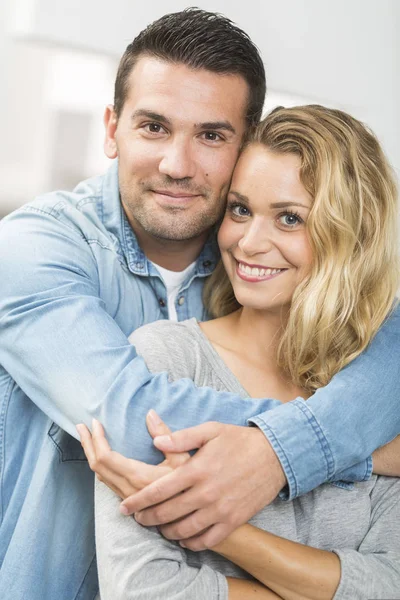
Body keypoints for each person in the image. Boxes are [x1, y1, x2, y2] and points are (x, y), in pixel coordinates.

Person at [0, 8, 399, 600]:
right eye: (153, 126)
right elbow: (133, 421)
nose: (177, 165)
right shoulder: (36, 249)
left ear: (244, 145)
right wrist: (346, 448)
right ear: (111, 128)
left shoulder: (259, 277)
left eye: (211, 135)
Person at [79, 105, 400, 600]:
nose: (249, 242)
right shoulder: (167, 362)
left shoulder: (372, 399)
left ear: (351, 238)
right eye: (240, 209)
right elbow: (143, 590)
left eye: (289, 219)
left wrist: (208, 524)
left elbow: (390, 583)